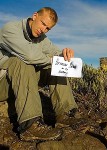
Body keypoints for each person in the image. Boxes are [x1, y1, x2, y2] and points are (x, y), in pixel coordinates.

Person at [0, 7, 82, 142]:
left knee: (56, 66)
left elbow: (55, 53)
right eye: (43, 23)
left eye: (48, 28)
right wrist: (53, 59)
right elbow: (29, 55)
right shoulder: (10, 29)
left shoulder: (41, 38)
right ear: (34, 16)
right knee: (20, 61)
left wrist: (64, 54)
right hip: (2, 83)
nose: (43, 30)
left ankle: (66, 114)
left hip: (17, 82)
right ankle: (30, 126)